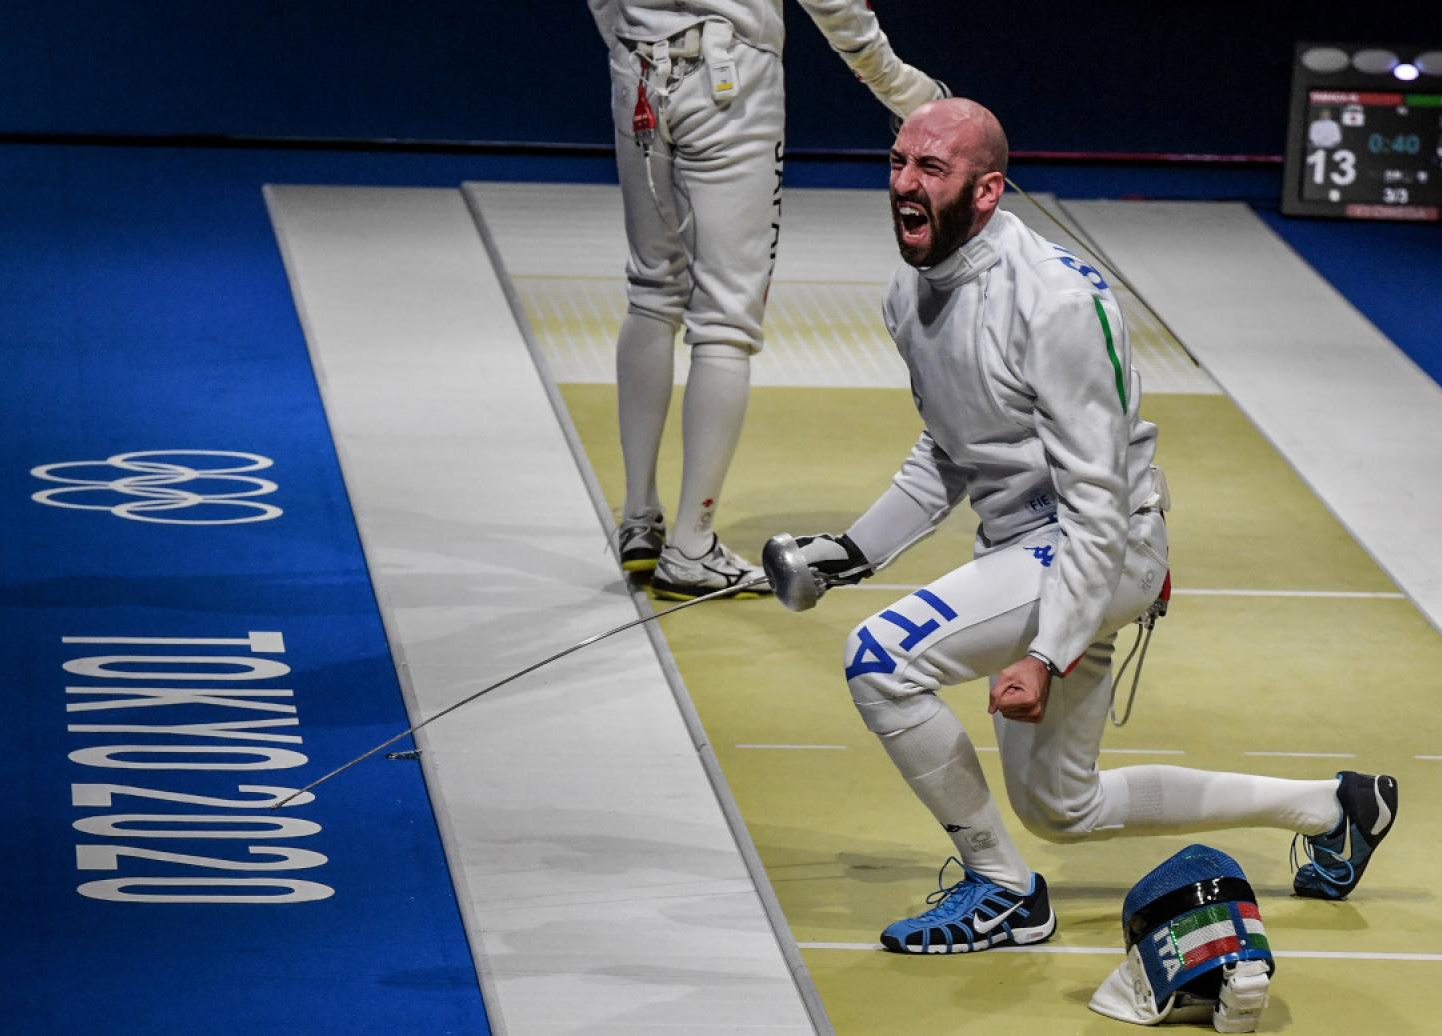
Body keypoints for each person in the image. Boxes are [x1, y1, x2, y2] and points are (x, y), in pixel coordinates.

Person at [779, 98, 1400, 954]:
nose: (904, 184)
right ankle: (1335, 809)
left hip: (1102, 549)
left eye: (931, 168)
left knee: (880, 660)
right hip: (1028, 551)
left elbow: (1098, 500)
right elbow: (954, 446)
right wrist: (854, 550)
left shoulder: (1059, 303)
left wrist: (1047, 651)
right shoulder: (910, 291)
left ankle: (1003, 893)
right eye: (898, 163)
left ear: (987, 190)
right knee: (1061, 807)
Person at [586, 0, 944, 599]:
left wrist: (631, 43)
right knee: (725, 320)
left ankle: (639, 517)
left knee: (652, 290)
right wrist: (904, 88)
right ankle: (691, 547)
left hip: (638, 72)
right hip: (729, 81)